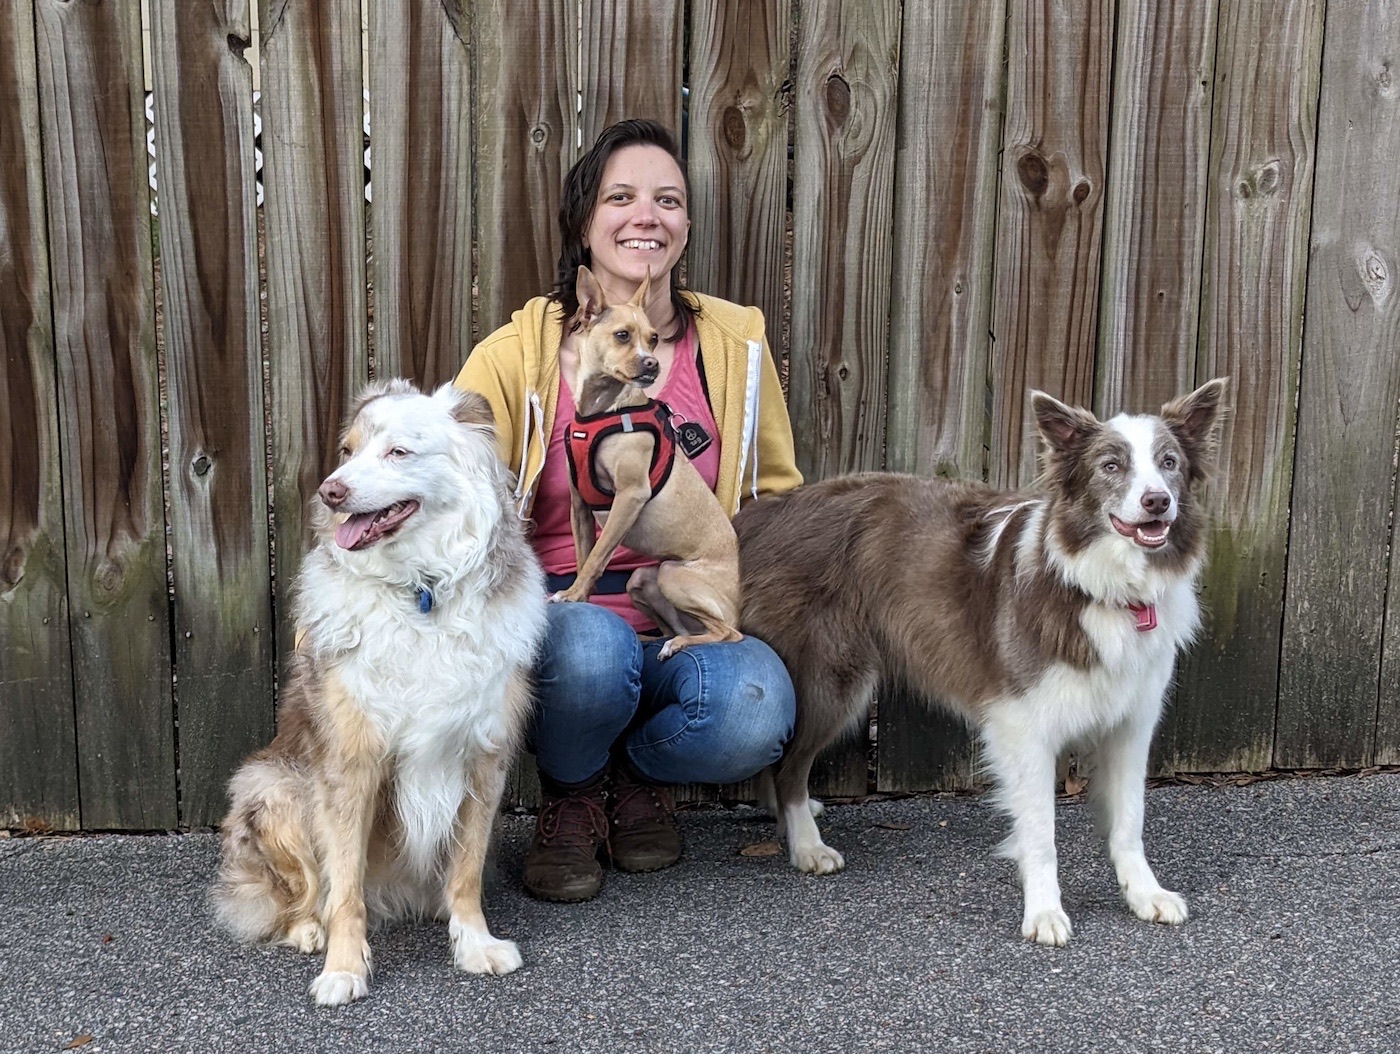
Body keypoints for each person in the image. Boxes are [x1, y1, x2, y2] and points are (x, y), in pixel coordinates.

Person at [455, 118, 802, 902]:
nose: (647, 215)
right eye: (622, 197)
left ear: (684, 226)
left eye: (668, 200)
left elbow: (773, 495)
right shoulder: (517, 354)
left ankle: (633, 775)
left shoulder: (735, 345)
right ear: (585, 223)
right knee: (589, 652)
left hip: (683, 616)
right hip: (567, 629)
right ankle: (572, 791)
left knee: (754, 709)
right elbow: (449, 474)